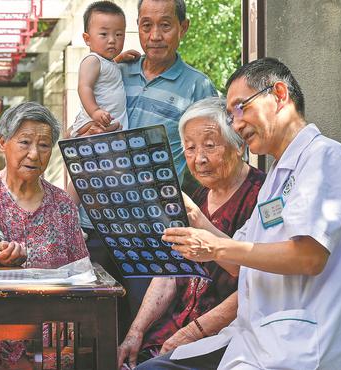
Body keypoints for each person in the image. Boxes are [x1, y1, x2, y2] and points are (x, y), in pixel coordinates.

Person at [137, 58, 341, 369]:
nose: (237, 124)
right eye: (231, 115)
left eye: (242, 108)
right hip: (257, 341)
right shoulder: (277, 178)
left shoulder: (326, 158)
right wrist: (195, 219)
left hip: (304, 345)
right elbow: (238, 263)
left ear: (279, 95)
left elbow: (309, 256)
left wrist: (215, 247)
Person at [76, 0, 218, 329]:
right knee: (91, 330)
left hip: (151, 232)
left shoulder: (198, 87)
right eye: (145, 25)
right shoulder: (112, 70)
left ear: (183, 28)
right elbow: (82, 123)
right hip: (97, 221)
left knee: (142, 327)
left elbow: (211, 157)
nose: (154, 35)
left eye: (165, 25)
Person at [117, 97, 265, 368]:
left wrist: (192, 332)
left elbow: (256, 284)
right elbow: (170, 273)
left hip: (223, 337)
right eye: (189, 148)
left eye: (210, 146)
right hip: (174, 326)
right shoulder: (198, 194)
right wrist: (135, 331)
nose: (200, 159)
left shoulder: (261, 195)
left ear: (239, 146)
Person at [0, 102, 90, 369]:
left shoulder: (62, 203)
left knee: (63, 355)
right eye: (25, 142)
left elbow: (81, 268)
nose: (34, 154)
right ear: (3, 142)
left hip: (53, 314)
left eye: (44, 145)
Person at [70, 1, 128, 137]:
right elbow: (84, 87)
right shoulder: (92, 60)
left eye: (119, 34)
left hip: (105, 122)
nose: (112, 40)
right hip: (93, 120)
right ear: (87, 39)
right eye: (104, 34)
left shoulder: (106, 62)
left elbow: (107, 70)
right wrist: (95, 111)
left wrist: (120, 59)